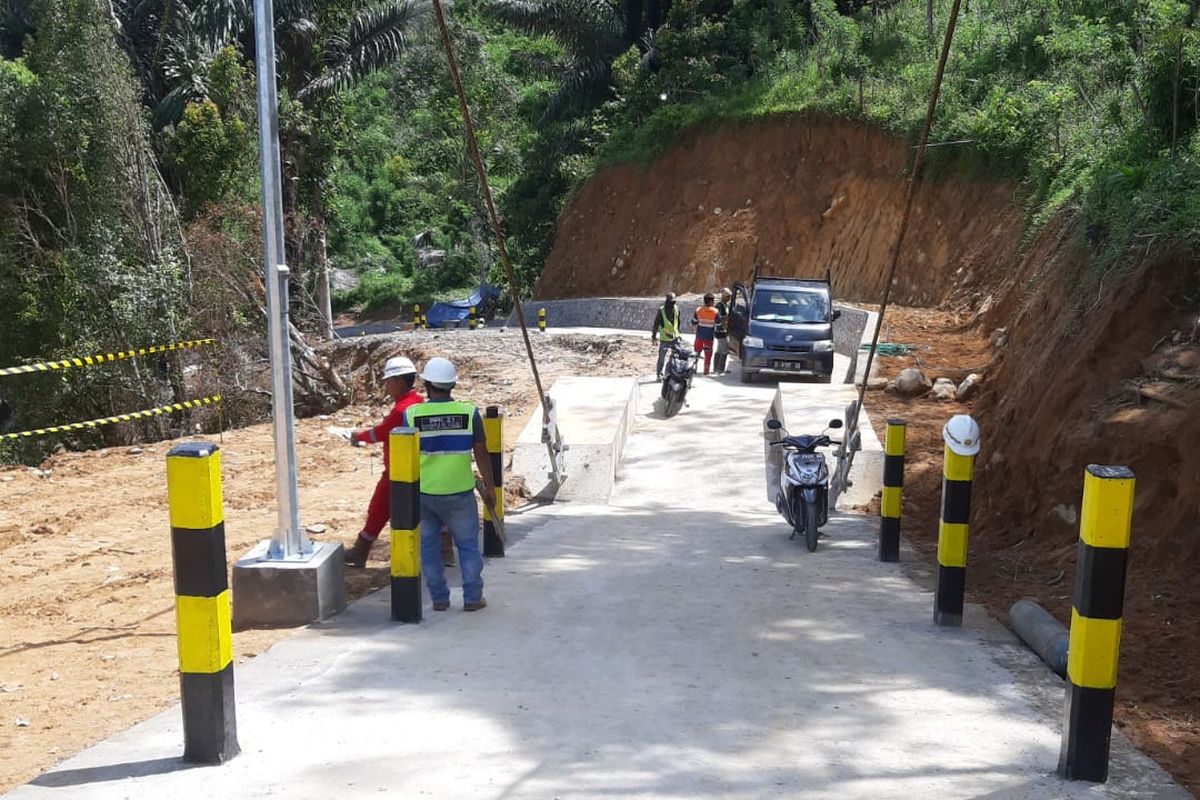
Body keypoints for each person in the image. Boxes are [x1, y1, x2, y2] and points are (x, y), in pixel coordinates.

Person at [404, 357, 498, 612]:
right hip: (459, 493)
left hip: (423, 494)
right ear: (451, 385)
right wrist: (490, 488)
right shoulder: (468, 413)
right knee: (467, 546)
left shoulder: (412, 415)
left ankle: (439, 599)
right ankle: (472, 598)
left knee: (429, 547)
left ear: (426, 384)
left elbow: (405, 455)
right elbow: (481, 452)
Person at [344, 356, 423, 567]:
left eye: (388, 381)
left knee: (379, 508)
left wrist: (358, 435)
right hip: (420, 467)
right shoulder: (417, 403)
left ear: (398, 381)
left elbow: (381, 432)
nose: (386, 385)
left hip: (399, 469)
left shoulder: (401, 410)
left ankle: (361, 551)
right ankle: (444, 549)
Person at [651, 292, 682, 381]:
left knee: (674, 357)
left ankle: (668, 373)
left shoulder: (677, 309)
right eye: (671, 301)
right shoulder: (661, 311)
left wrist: (679, 333)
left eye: (673, 301)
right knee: (662, 357)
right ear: (667, 301)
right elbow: (656, 324)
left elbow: (678, 322)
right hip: (665, 338)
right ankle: (659, 375)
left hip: (675, 337)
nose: (672, 303)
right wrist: (654, 337)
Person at [691, 293, 721, 375]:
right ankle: (706, 371)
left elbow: (693, 322)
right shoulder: (715, 311)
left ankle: (693, 368)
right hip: (709, 337)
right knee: (708, 355)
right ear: (711, 301)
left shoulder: (698, 310)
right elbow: (718, 324)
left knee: (696, 353)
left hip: (699, 336)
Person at [713, 288, 733, 375]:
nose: (729, 298)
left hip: (723, 330)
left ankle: (716, 368)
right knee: (725, 350)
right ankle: (720, 369)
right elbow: (719, 318)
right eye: (728, 296)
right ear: (724, 296)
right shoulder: (719, 306)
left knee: (719, 350)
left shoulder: (725, 305)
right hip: (720, 331)